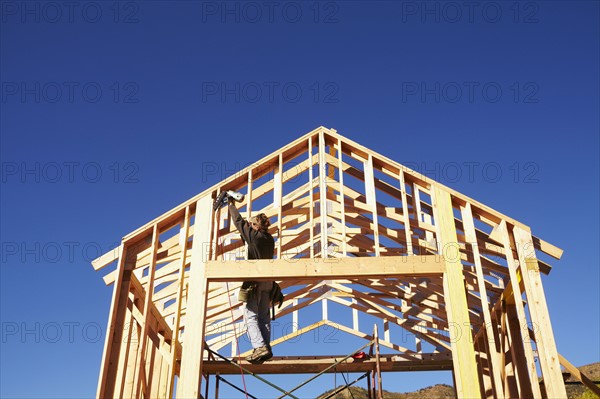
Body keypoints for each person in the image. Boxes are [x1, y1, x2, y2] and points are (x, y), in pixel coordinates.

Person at [228, 200, 275, 364]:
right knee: (263, 317)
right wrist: (248, 231)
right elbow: (252, 244)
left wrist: (231, 205)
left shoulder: (254, 236)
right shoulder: (269, 239)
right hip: (268, 283)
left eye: (252, 224)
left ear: (255, 226)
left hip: (255, 281)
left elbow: (238, 222)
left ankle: (259, 347)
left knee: (251, 317)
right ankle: (265, 348)